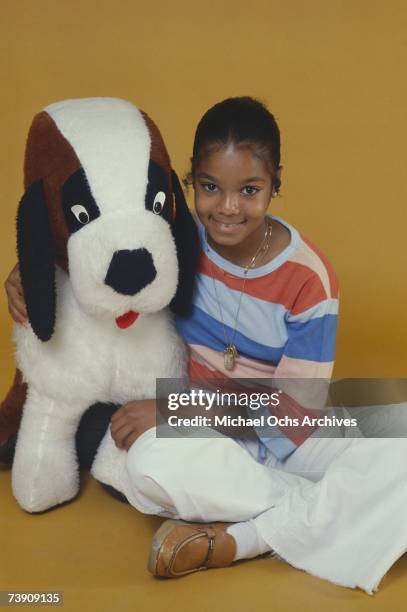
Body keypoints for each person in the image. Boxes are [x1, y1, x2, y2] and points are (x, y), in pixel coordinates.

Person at [4, 97, 407, 594]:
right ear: (190, 180)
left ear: (276, 181)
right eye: (211, 188)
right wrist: (30, 273)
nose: (229, 207)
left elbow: (294, 413)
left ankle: (247, 537)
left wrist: (175, 408)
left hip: (285, 433)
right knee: (148, 464)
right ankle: (325, 504)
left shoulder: (310, 279)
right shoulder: (176, 242)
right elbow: (97, 265)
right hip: (206, 442)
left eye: (250, 189)